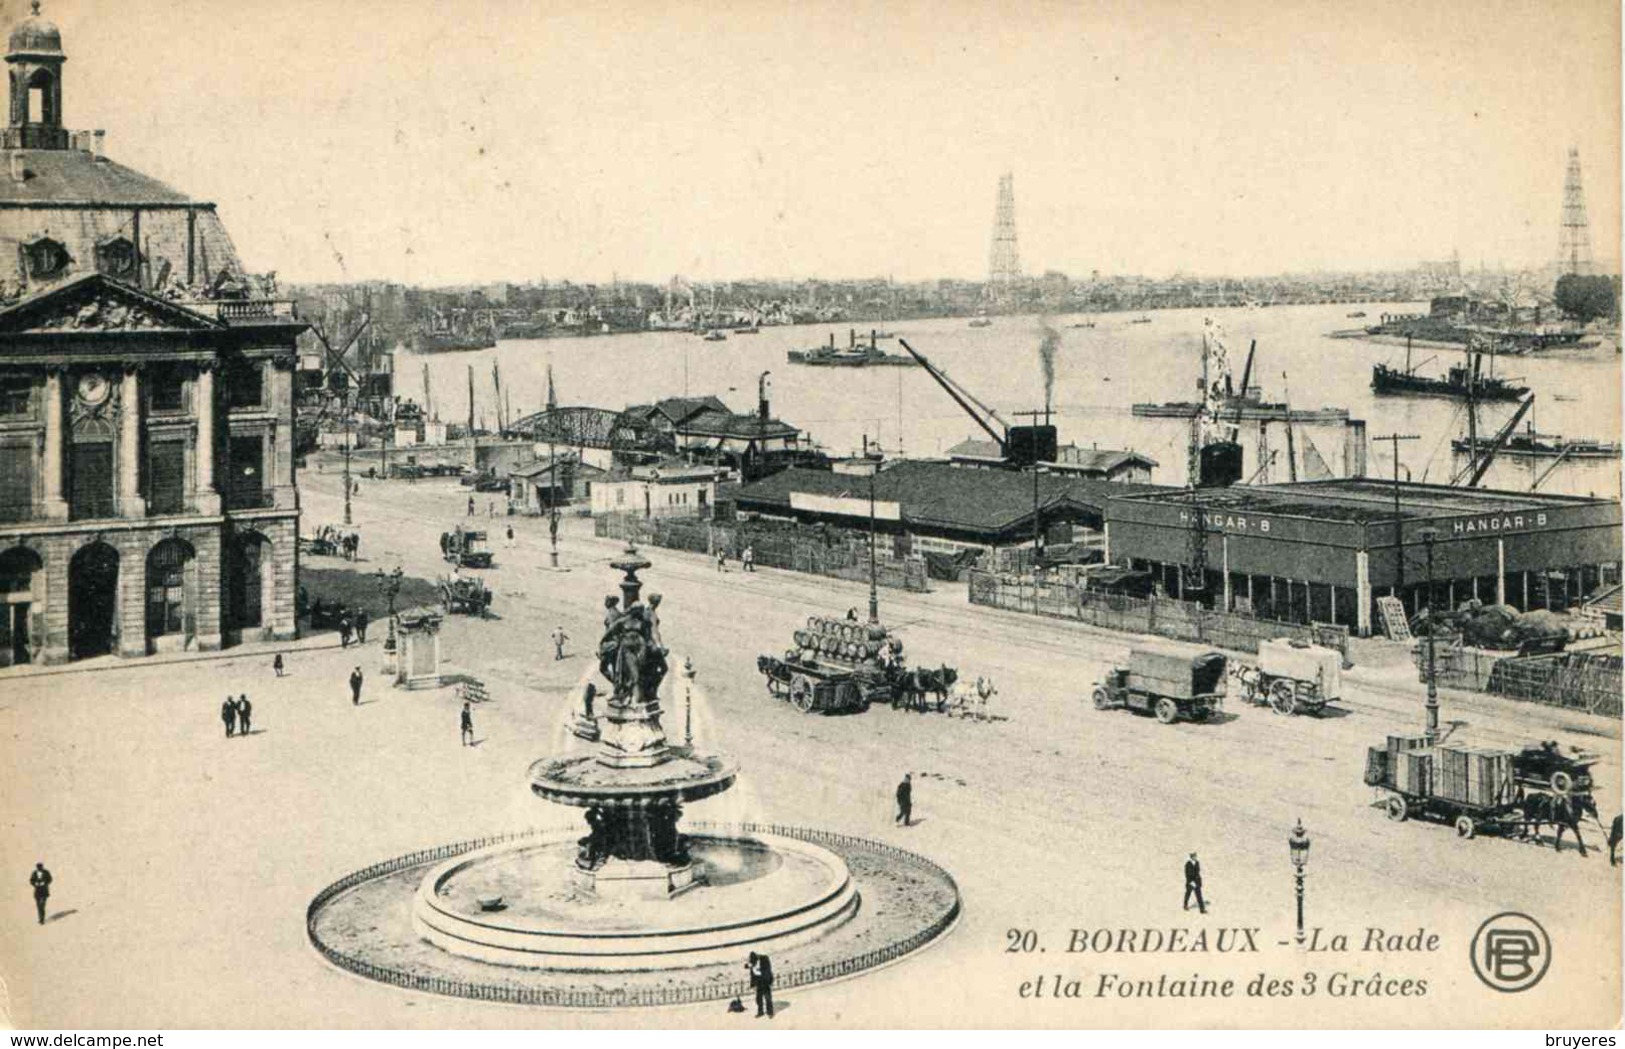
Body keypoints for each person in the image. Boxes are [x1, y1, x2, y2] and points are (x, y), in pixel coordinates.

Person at [748, 952, 774, 1018]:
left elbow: (768, 971)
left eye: (754, 963)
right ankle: (760, 1012)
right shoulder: (752, 964)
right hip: (758, 981)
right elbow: (752, 975)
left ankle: (770, 1012)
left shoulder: (764, 959)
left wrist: (769, 981)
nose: (753, 965)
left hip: (765, 980)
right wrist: (753, 985)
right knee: (758, 998)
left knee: (767, 997)